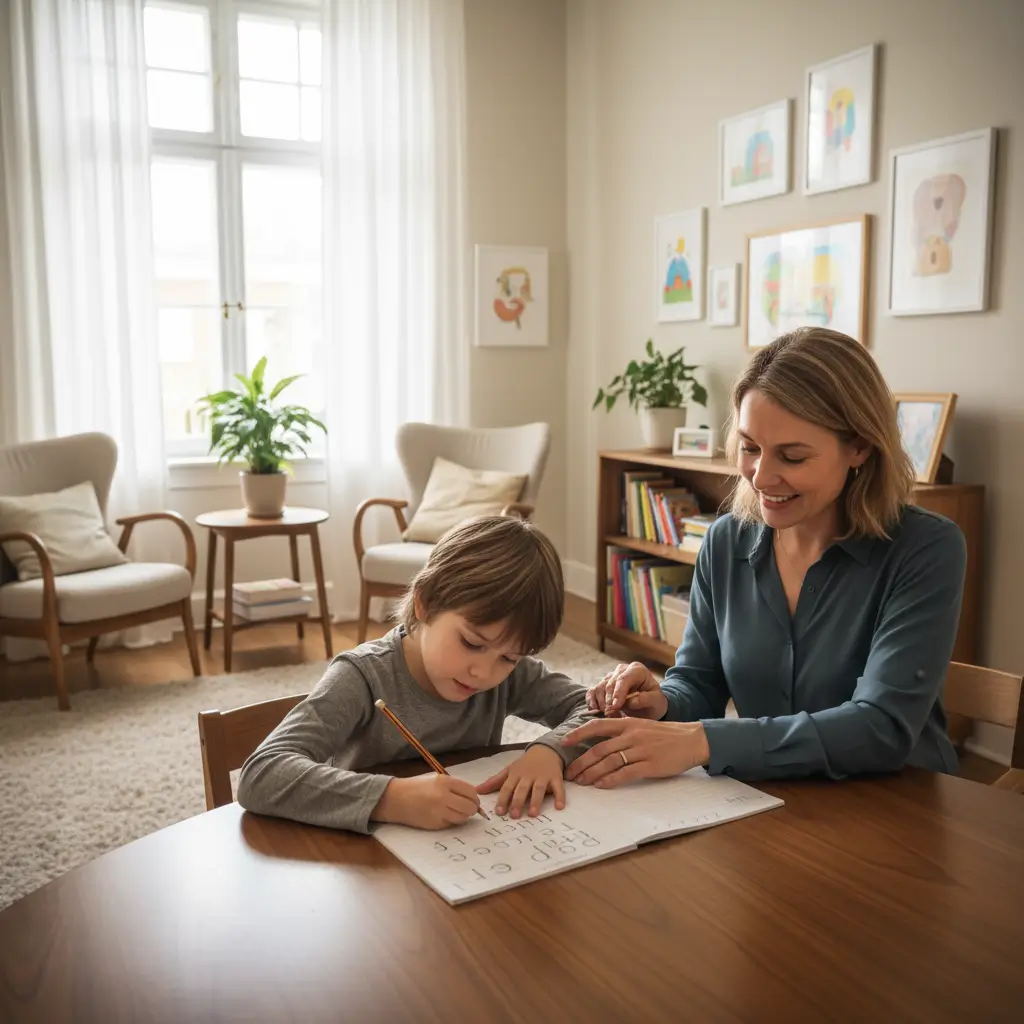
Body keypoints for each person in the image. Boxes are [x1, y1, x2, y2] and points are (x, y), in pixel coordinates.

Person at [563, 327, 966, 788]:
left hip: (899, 800)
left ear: (859, 447)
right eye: (750, 447)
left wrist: (703, 742)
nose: (760, 477)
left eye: (792, 457)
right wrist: (662, 702)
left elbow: (882, 726)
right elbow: (700, 682)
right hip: (774, 797)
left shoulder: (926, 548)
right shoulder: (725, 542)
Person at [237, 515, 591, 832]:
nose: (483, 672)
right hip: (361, 861)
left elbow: (595, 707)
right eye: (471, 643)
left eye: (510, 657)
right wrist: (391, 799)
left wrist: (550, 751)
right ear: (425, 602)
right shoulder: (362, 676)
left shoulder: (509, 675)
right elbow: (261, 774)